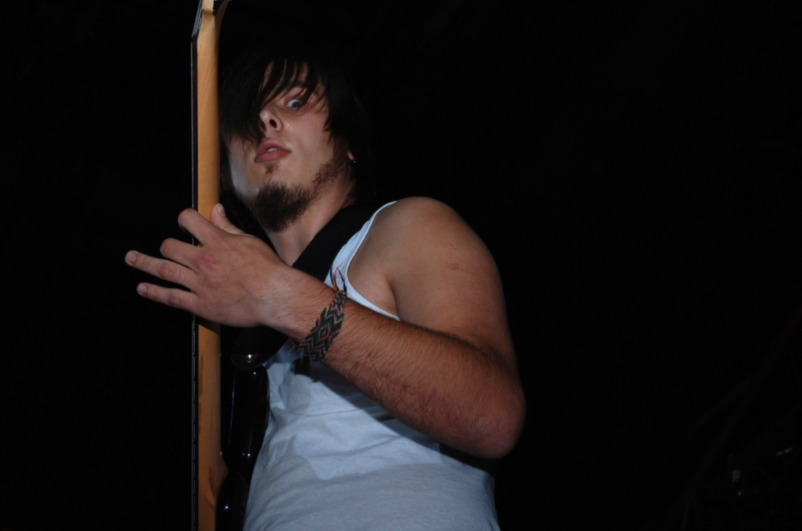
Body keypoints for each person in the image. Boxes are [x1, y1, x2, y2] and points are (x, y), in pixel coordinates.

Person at [125, 47, 525, 529]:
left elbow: (490, 416)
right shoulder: (246, 328)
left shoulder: (405, 227)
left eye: (295, 103)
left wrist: (278, 294)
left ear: (348, 144)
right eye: (247, 118)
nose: (265, 120)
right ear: (227, 179)